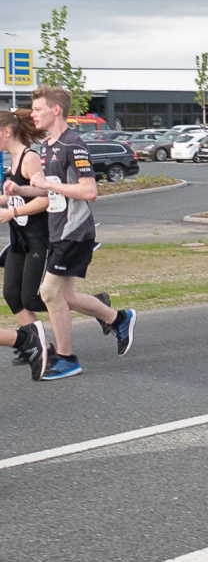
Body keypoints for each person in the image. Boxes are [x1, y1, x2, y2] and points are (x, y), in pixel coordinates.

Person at [13, 87, 135, 380]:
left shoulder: (73, 145)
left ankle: (67, 358)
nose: (33, 114)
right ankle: (118, 318)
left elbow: (89, 191)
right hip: (58, 230)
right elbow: (45, 185)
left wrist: (50, 186)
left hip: (75, 231)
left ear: (56, 110)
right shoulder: (47, 145)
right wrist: (20, 189)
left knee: (49, 292)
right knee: (65, 296)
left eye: (38, 108)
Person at [0, 110, 52, 380]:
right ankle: (40, 345)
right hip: (19, 238)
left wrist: (13, 212)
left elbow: (44, 198)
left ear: (7, 132)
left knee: (32, 298)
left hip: (37, 238)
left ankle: (90, 304)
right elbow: (15, 197)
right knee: (11, 294)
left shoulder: (29, 158)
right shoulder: (12, 160)